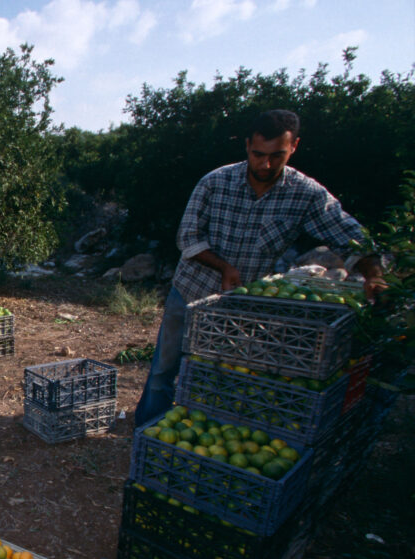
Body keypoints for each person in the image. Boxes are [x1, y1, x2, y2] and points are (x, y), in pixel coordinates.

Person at [134, 109, 387, 427]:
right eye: (258, 155)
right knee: (164, 369)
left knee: (221, 374)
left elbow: (350, 237)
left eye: (276, 155)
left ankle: (196, 436)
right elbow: (187, 238)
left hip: (245, 308)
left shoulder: (305, 195)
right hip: (191, 292)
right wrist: (224, 267)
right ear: (246, 147)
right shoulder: (215, 182)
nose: (265, 164)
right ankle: (146, 430)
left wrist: (374, 275)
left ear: (293, 147)